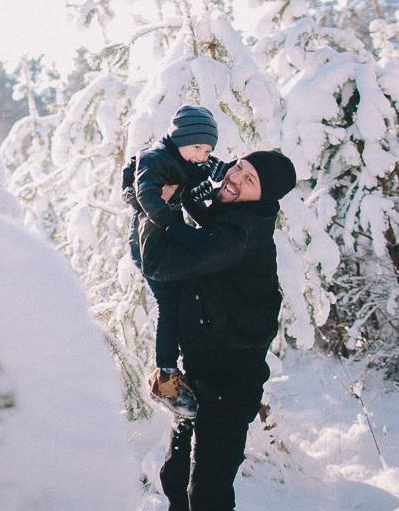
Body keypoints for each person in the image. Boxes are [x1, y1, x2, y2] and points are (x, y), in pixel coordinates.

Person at [140, 149, 297, 511]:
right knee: (176, 477)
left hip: (230, 386)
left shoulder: (238, 236)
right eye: (239, 167)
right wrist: (187, 180)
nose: (235, 178)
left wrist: (155, 208)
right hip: (200, 373)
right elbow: (206, 216)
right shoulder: (238, 217)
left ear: (263, 195)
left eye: (249, 179)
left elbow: (159, 264)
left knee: (207, 492)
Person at [122, 105, 226, 418]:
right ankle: (165, 379)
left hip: (164, 242)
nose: (203, 156)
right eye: (199, 148)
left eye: (208, 151)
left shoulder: (181, 160)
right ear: (181, 139)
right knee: (169, 305)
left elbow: (191, 189)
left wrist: (218, 176)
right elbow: (146, 197)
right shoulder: (154, 158)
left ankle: (180, 366)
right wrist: (175, 227)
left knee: (183, 300)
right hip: (150, 246)